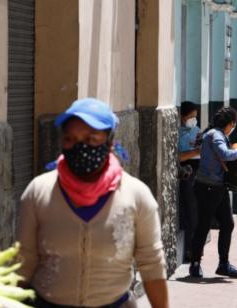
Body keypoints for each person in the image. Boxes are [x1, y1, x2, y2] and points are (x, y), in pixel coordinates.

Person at [17, 98, 168, 307]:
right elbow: (24, 260)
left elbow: (151, 264)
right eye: (70, 139)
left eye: (91, 139)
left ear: (109, 141)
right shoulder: (38, 192)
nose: (80, 147)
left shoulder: (136, 195)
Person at [190, 107, 237, 278]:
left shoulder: (215, 133)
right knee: (204, 225)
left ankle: (223, 263)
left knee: (227, 224)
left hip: (217, 186)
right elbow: (224, 154)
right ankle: (195, 264)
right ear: (231, 123)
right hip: (208, 187)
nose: (233, 127)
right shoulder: (216, 135)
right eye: (234, 124)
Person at [178, 101, 201, 263]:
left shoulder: (196, 131)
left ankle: (195, 249)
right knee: (189, 212)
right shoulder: (178, 133)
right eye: (191, 117)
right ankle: (189, 250)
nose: (193, 120)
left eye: (195, 117)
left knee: (196, 212)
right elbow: (179, 156)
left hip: (198, 171)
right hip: (187, 171)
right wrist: (195, 151)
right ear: (182, 116)